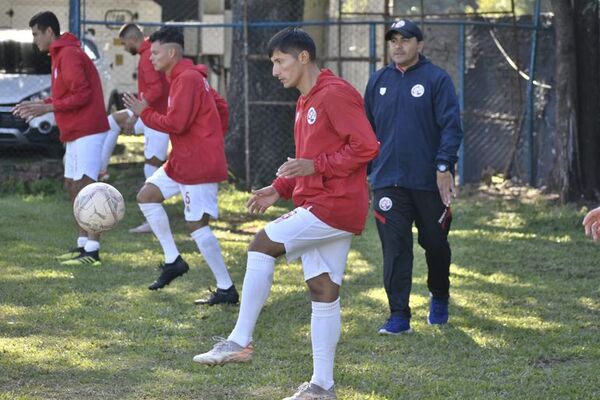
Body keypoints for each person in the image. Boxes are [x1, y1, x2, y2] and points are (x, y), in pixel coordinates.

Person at [192, 28, 380, 400]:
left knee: (262, 244)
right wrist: (278, 189)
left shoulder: (336, 94)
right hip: (321, 201)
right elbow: (305, 164)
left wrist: (316, 167)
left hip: (334, 204)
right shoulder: (305, 100)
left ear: (304, 57)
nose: (275, 70)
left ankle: (239, 341)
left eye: (280, 61)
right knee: (323, 289)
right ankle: (322, 387)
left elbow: (367, 147)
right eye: (273, 63)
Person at [123, 26, 237, 304]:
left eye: (157, 52)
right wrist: (209, 135)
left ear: (172, 53)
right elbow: (221, 107)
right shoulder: (187, 77)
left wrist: (144, 112)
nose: (151, 57)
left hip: (196, 163)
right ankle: (173, 260)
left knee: (196, 224)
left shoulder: (186, 78)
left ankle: (226, 289)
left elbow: (176, 123)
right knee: (147, 196)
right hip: (183, 159)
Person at [364, 19, 463, 334]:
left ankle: (440, 294)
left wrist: (444, 166)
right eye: (393, 40)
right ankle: (398, 316)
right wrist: (366, 171)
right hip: (388, 183)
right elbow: (366, 131)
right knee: (395, 248)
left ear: (420, 45)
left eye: (405, 39)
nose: (398, 45)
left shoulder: (436, 79)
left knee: (435, 243)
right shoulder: (378, 81)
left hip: (428, 182)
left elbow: (451, 127)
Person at [13, 11, 109, 266]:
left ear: (49, 32)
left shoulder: (68, 54)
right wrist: (40, 104)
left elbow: (82, 95)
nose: (34, 40)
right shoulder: (59, 54)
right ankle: (82, 245)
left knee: (87, 187)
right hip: (76, 131)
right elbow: (65, 95)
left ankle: (94, 250)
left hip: (89, 129)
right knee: (71, 185)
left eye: (36, 34)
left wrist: (48, 108)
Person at [100, 23, 171, 234]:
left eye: (124, 44)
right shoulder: (148, 51)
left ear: (132, 39)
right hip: (149, 114)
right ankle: (101, 171)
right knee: (112, 121)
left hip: (158, 118)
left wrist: (137, 114)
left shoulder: (148, 54)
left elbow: (157, 89)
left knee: (151, 168)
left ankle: (154, 220)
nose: (123, 48)